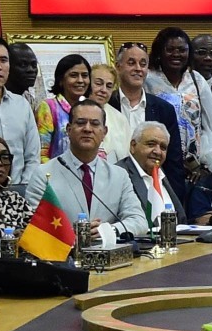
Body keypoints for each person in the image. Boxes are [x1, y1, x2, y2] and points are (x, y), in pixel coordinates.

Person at [44, 101, 150, 236]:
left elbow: (139, 222)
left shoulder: (119, 176)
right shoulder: (43, 174)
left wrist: (108, 230)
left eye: (95, 124)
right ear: (69, 130)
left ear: (104, 132)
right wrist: (73, 234)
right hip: (62, 247)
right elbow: (34, 227)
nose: (87, 129)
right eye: (81, 123)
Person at [0, 36, 44, 201]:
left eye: (3, 60)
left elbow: (32, 156)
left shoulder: (22, 104)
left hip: (20, 193)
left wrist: (23, 189)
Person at [149, 26, 212, 178]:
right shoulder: (148, 80)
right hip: (159, 161)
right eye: (170, 49)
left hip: (196, 167)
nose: (176, 54)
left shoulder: (196, 80)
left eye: (182, 50)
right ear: (160, 52)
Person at [107, 42, 181, 162]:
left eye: (143, 64)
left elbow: (173, 160)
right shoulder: (106, 104)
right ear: (118, 67)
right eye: (131, 63)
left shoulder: (164, 110)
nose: (138, 69)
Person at [117, 122, 188, 224]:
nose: (158, 152)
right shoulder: (118, 174)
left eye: (163, 147)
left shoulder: (162, 174)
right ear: (133, 146)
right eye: (151, 144)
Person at [40, 53, 92, 162]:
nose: (80, 80)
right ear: (61, 80)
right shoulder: (49, 107)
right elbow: (41, 153)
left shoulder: (90, 108)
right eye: (73, 75)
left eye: (84, 75)